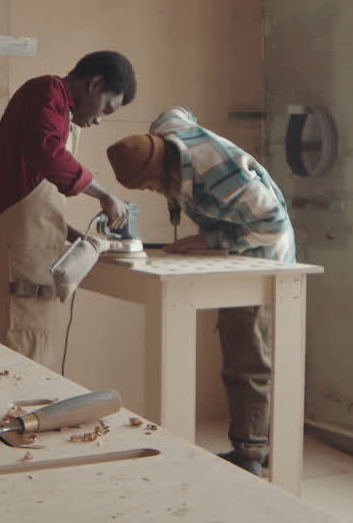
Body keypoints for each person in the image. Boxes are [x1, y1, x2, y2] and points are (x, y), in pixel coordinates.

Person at [106, 107, 295, 477]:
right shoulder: (166, 131)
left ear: (166, 171)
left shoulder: (220, 174)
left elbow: (273, 224)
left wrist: (208, 238)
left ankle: (251, 454)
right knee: (239, 346)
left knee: (247, 355)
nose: (150, 192)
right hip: (232, 250)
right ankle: (259, 440)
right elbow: (176, 112)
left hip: (262, 254)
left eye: (149, 185)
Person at [0, 51, 136, 370]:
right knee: (12, 365)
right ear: (95, 84)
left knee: (32, 360)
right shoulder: (47, 91)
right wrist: (106, 194)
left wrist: (72, 234)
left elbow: (30, 199)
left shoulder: (62, 115)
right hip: (12, 259)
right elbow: (49, 156)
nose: (99, 120)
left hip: (27, 258)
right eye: (105, 109)